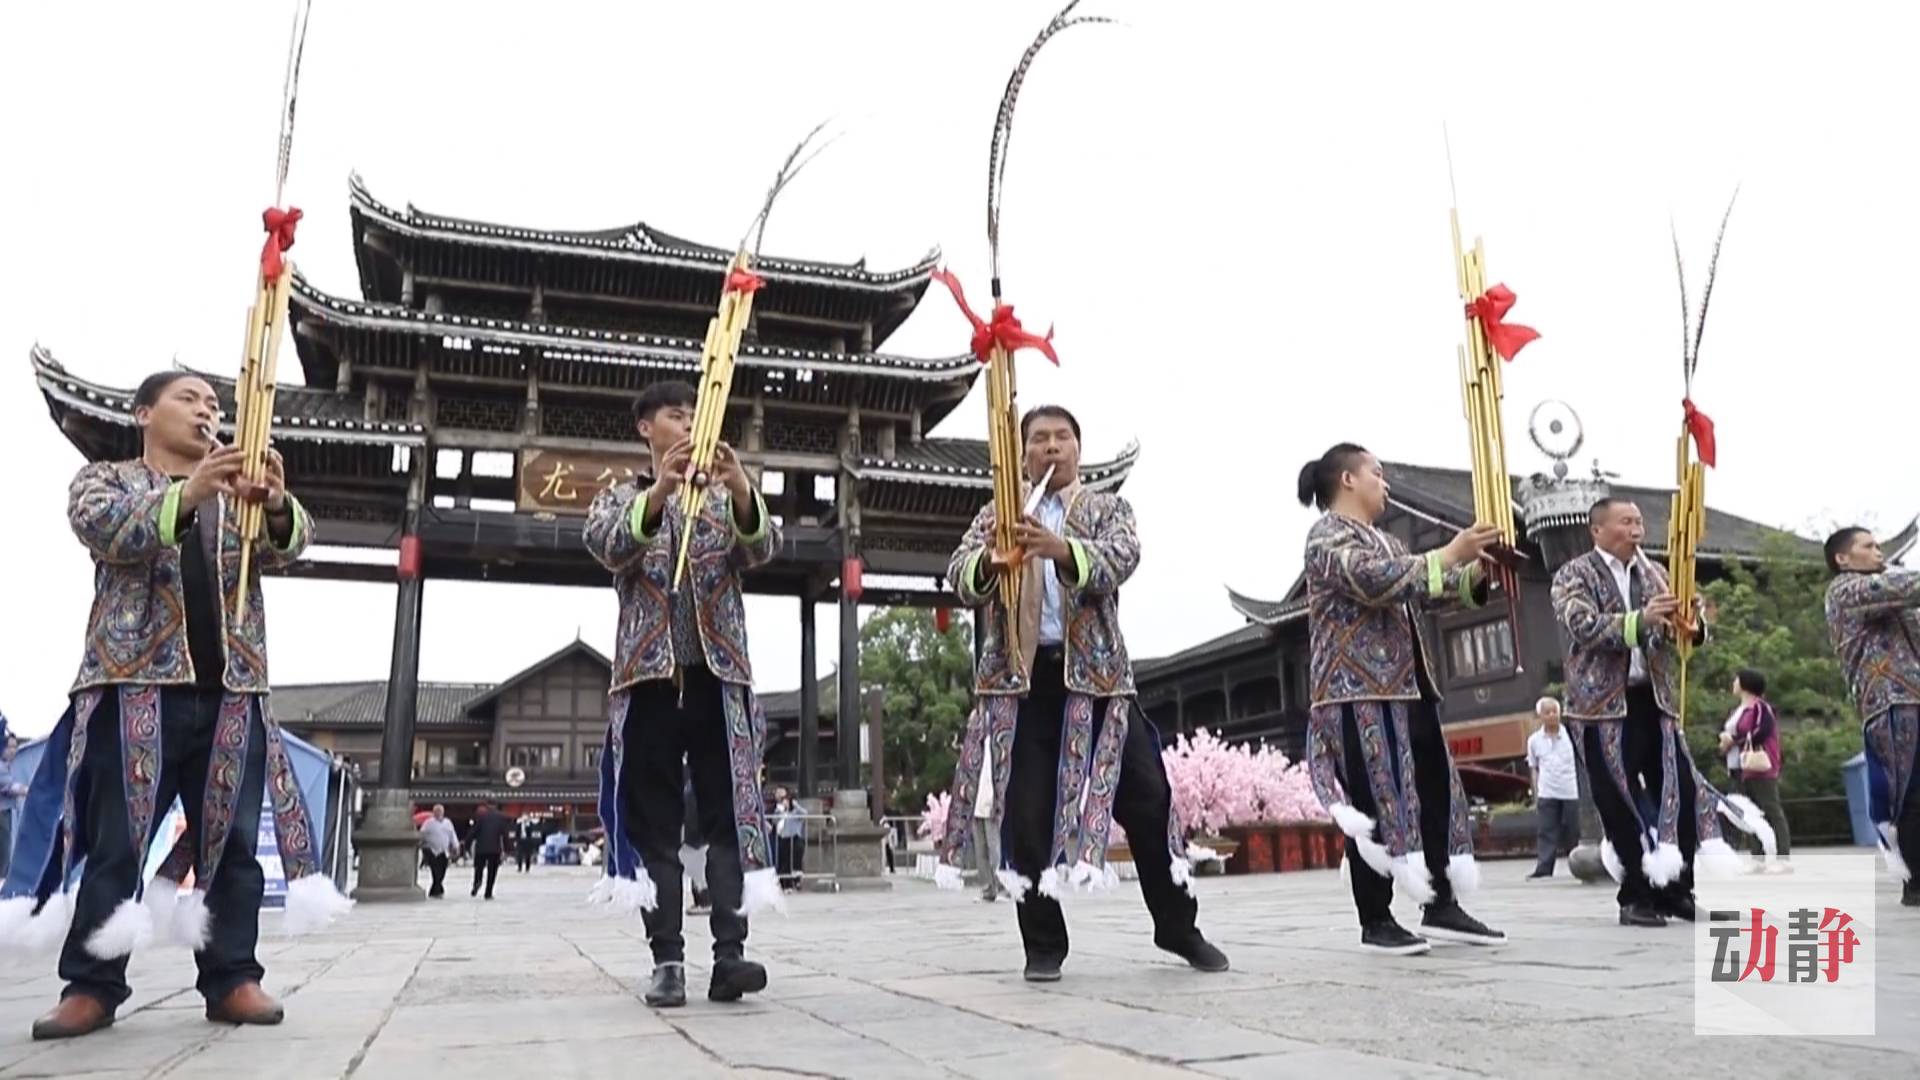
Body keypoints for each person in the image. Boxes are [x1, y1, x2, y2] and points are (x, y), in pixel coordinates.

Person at [0, 371, 349, 1041]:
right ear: (143, 413)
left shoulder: (234, 499)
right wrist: (190, 493)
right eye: (189, 399)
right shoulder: (109, 480)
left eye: (214, 403)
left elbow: (294, 542)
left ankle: (232, 977)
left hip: (233, 691)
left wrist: (273, 504)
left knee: (234, 843)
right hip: (135, 687)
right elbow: (107, 532)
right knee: (115, 843)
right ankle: (92, 985)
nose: (207, 410)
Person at [936, 404, 1229, 983]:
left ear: (1078, 448)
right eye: (1039, 439)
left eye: (1062, 438)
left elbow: (1122, 559)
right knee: (1024, 813)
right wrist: (992, 564)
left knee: (1148, 798)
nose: (1051, 447)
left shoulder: (1106, 507)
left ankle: (1176, 923)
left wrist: (1058, 548)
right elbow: (958, 573)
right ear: (1022, 453)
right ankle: (1043, 943)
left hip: (1097, 682)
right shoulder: (998, 513)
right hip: (1021, 682)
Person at [583, 379, 782, 1008]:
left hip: (717, 680)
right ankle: (667, 957)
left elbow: (764, 549)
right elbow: (610, 547)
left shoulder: (726, 499)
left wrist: (742, 484)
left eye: (698, 413)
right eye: (677, 414)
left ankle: (731, 954)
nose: (691, 422)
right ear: (647, 427)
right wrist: (664, 491)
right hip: (647, 681)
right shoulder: (621, 495)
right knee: (655, 826)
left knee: (729, 816)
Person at [1295, 444, 1508, 955]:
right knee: (1373, 799)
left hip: (1409, 686)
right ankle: (1376, 917)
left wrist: (1476, 574)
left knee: (1434, 791)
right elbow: (1372, 582)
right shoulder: (1326, 536)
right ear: (1348, 479)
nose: (1384, 482)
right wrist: (1447, 554)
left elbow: (1434, 583)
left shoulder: (1388, 541)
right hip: (1354, 692)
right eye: (1377, 472)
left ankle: (1441, 901)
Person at [1550, 497, 1757, 929]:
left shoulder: (1656, 573)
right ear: (1598, 530)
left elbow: (1681, 636)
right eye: (1626, 521)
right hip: (1600, 708)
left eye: (1639, 521)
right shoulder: (1574, 574)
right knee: (1619, 803)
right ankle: (1636, 897)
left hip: (1654, 700)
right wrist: (1641, 618)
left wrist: (1691, 622)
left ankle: (1678, 890)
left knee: (1680, 793)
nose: (1636, 529)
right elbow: (1581, 627)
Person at [1821, 527, 1920, 904]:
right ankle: (1916, 882)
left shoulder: (1892, 602)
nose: (1879, 552)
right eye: (1869, 546)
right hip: (1890, 702)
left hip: (1913, 699)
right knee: (1908, 792)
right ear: (1842, 559)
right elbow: (1903, 587)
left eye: (1879, 546)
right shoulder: (1846, 590)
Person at [1727, 670, 1791, 869]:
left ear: (1746, 684)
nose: (1734, 682)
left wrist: (1734, 740)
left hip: (1760, 766)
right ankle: (1758, 857)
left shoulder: (1761, 708)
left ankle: (1782, 857)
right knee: (1750, 813)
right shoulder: (1739, 710)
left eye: (1737, 679)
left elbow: (1760, 732)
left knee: (1771, 809)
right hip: (1742, 767)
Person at [1526, 698, 1581, 880]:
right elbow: (1534, 768)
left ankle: (1578, 864)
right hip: (1547, 791)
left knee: (1574, 829)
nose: (1551, 715)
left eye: (1554, 711)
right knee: (1546, 830)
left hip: (1571, 790)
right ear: (1540, 716)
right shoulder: (1534, 741)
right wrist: (1535, 794)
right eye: (1547, 712)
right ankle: (1544, 867)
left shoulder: (1572, 736)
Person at [972, 734, 1009, 902]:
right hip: (975, 803)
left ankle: (1001, 887)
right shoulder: (973, 747)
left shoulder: (997, 743)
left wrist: (998, 800)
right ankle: (988, 888)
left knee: (995, 850)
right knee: (980, 850)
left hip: (990, 802)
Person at [468, 802, 511, 899]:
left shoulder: (481, 816)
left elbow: (474, 831)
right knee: (492, 871)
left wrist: (467, 843)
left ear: (487, 806)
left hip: (481, 848)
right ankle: (488, 892)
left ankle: (477, 882)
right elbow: (504, 834)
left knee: (478, 868)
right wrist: (508, 848)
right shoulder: (501, 817)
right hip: (495, 849)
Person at [419, 805, 459, 899]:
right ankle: (438, 890)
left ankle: (435, 890)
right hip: (432, 850)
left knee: (442, 871)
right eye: (436, 811)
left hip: (444, 851)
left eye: (440, 811)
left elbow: (452, 834)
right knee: (435, 871)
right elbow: (422, 833)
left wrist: (455, 845)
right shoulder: (428, 823)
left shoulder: (448, 823)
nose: (438, 813)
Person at [0, 734, 24, 882]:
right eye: (10, 747)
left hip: (5, 812)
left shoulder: (6, 766)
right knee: (3, 854)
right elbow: (9, 787)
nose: (14, 750)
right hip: (1, 814)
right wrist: (31, 790)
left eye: (16, 747)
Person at [772, 787, 806, 892]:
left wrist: (795, 805)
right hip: (783, 838)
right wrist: (780, 811)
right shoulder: (779, 811)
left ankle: (796, 876)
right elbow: (774, 821)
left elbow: (804, 813)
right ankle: (786, 885)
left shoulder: (795, 812)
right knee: (785, 862)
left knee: (797, 851)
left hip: (794, 838)